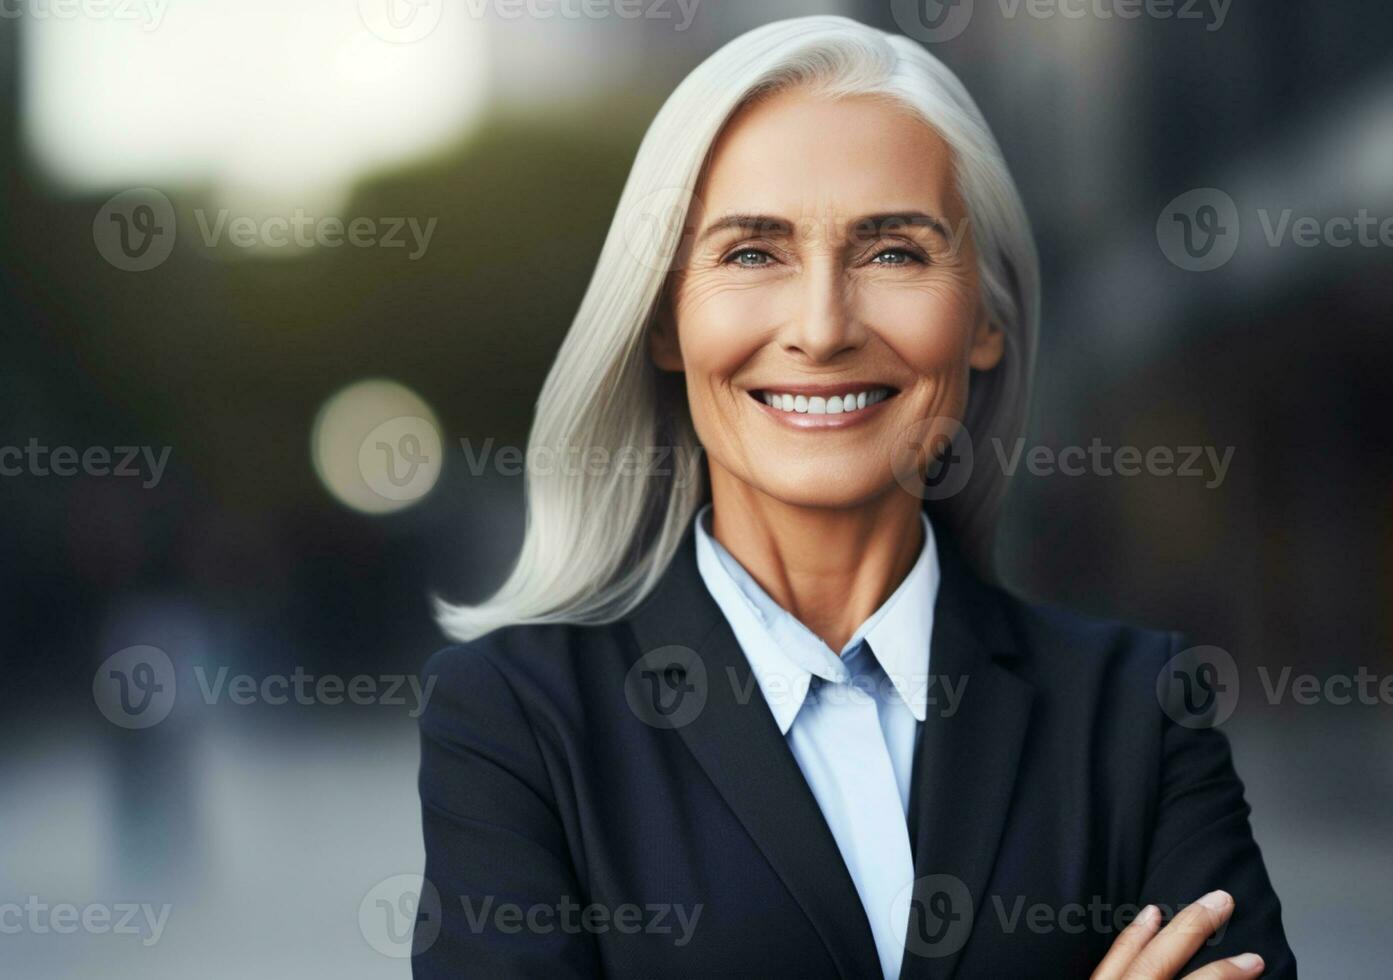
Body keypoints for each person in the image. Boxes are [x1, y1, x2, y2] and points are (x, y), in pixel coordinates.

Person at [416, 16, 1295, 979]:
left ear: (986, 319)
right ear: (664, 320)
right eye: (753, 253)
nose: (823, 327)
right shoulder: (517, 719)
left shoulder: (1138, 710)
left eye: (894, 253)